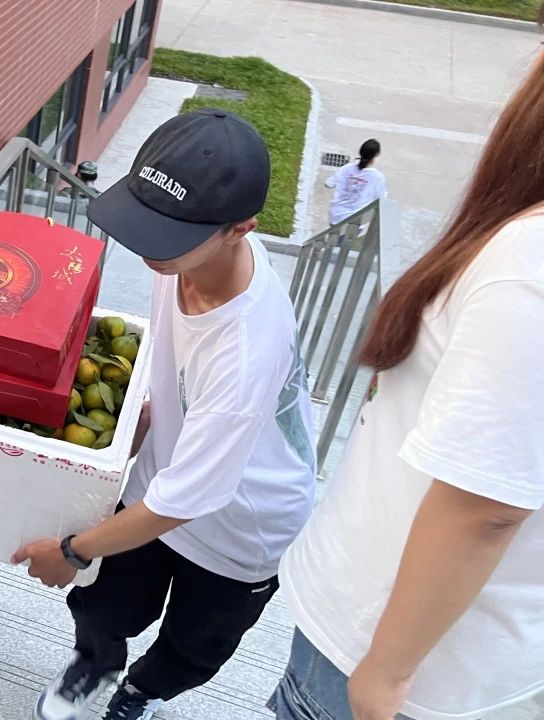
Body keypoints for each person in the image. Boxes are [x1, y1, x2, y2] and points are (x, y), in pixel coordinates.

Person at [13, 109, 317, 720]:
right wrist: (147, 415)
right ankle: (96, 663)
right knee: (103, 606)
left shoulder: (247, 349)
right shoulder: (185, 256)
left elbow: (183, 502)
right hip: (167, 473)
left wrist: (71, 551)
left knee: (193, 645)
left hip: (244, 522)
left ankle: (141, 693)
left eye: (168, 233)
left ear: (241, 229)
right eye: (145, 220)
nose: (149, 245)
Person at [270, 51, 544, 720]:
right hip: (435, 649)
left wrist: (383, 677)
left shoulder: (529, 263)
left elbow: (484, 507)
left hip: (381, 659)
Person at [326, 139, 386, 226]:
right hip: (355, 220)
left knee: (333, 232)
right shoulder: (377, 177)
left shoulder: (346, 168)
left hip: (336, 215)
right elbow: (382, 199)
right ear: (376, 156)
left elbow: (329, 183)